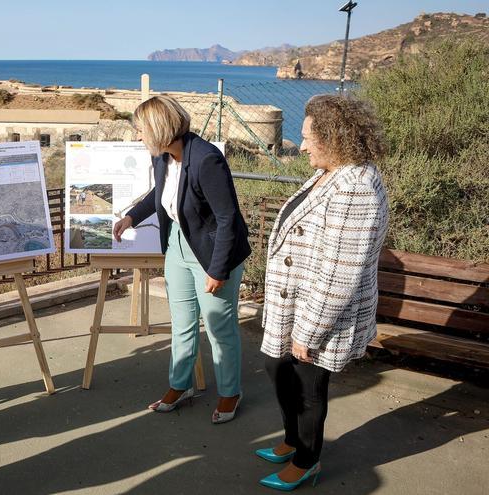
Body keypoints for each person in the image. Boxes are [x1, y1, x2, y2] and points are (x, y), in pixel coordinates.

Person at [255, 95, 389, 491]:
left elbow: (340, 274)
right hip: (294, 303)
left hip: (319, 312)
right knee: (276, 369)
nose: (305, 145)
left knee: (308, 387)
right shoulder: (332, 172)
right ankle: (292, 439)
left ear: (335, 137)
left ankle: (307, 459)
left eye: (309, 137)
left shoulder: (356, 187)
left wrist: (309, 332)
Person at [113, 95, 251, 422]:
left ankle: (230, 392)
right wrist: (131, 217)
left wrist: (218, 270)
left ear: (160, 130)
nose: (137, 137)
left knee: (219, 328)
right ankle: (180, 384)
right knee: (182, 323)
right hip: (178, 243)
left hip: (214, 251)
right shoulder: (162, 157)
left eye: (141, 131)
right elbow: (162, 194)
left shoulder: (206, 160)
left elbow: (227, 218)